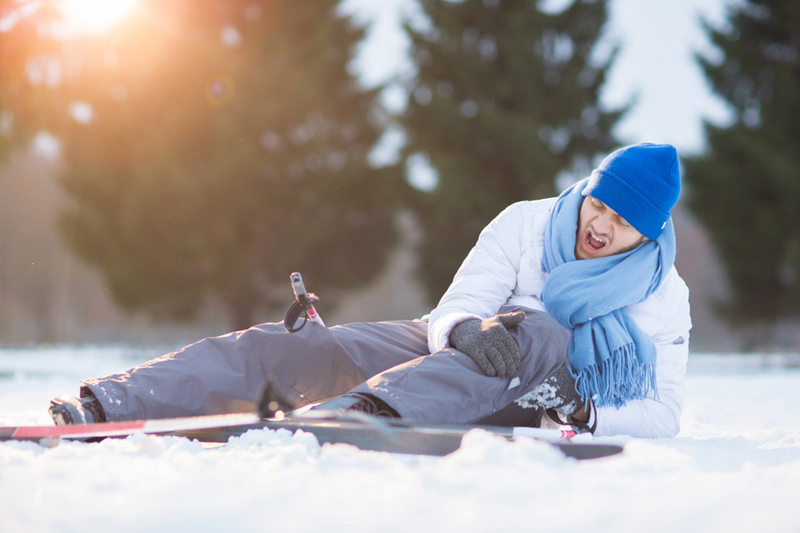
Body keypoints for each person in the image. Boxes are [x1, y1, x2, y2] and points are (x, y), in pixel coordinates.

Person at [49, 143, 691, 439]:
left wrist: (585, 414)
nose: (603, 226)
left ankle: (355, 419)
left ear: (650, 231)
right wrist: (464, 329)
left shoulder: (664, 299)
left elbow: (664, 412)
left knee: (542, 328)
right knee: (315, 347)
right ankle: (113, 402)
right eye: (601, 205)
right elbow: (458, 307)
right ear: (589, 189)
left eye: (625, 221)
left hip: (544, 395)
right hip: (453, 365)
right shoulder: (527, 222)